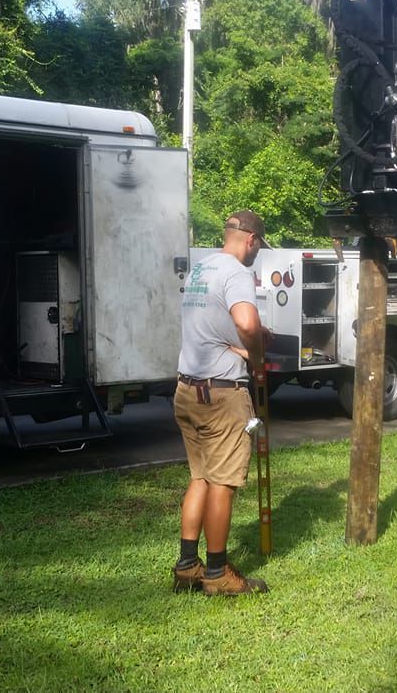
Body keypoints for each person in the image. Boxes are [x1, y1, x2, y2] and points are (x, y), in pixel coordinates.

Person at [171, 210, 273, 596]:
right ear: (250, 240)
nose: (256, 253)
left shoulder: (202, 269)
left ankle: (187, 566)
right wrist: (257, 353)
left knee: (200, 477)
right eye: (259, 246)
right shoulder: (236, 272)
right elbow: (246, 323)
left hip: (187, 390)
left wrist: (239, 342)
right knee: (223, 483)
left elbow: (210, 326)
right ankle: (216, 573)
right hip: (220, 395)